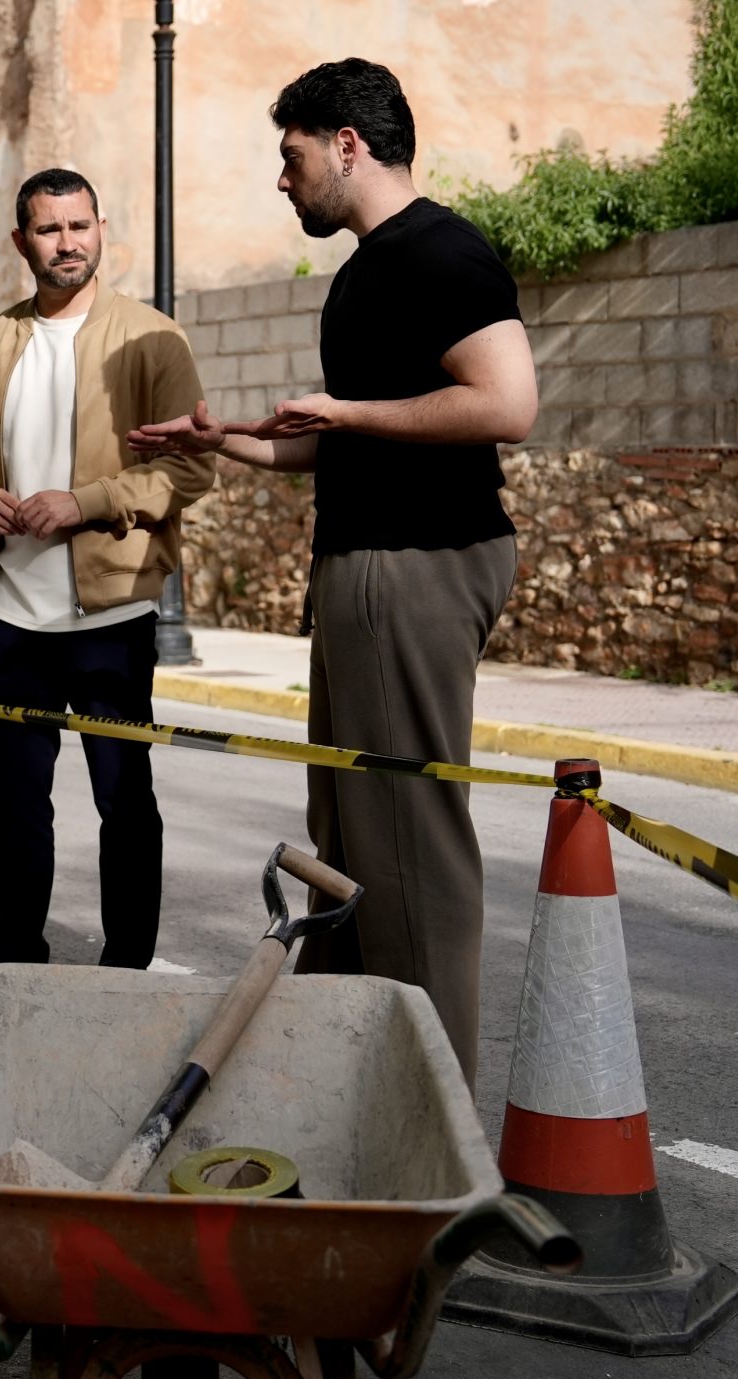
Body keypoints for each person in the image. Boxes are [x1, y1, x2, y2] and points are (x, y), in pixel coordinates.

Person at [127, 58, 537, 1088]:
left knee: (407, 847)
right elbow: (339, 440)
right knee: (346, 841)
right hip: (366, 568)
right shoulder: (366, 269)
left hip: (415, 566)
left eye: (292, 154)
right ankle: (345, 1083)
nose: (284, 177)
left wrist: (346, 412)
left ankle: (429, 1107)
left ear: (347, 145)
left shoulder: (440, 250)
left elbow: (506, 403)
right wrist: (223, 438)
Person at [0, 168, 214, 1025]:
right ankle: (16, 970)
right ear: (22, 241)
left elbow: (189, 467)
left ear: (101, 228)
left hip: (111, 616)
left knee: (124, 801)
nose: (67, 243)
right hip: (9, 616)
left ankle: (125, 974)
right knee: (17, 806)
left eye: (80, 225)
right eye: (50, 229)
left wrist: (84, 502)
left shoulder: (151, 338)